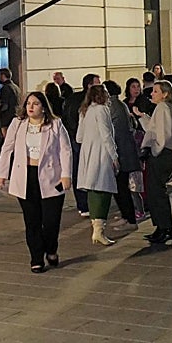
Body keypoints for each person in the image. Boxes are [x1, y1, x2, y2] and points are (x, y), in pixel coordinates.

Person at [0, 92, 72, 272]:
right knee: (32, 221)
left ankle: (51, 249)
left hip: (51, 177)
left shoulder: (55, 124)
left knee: (51, 221)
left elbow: (65, 150)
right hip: (26, 177)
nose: (30, 107)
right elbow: (7, 148)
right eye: (28, 103)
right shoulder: (18, 124)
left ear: (43, 107)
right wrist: (1, 173)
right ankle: (36, 257)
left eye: (35, 103)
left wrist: (66, 174)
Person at [135, 80, 172, 244]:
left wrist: (154, 150)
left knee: (156, 193)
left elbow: (162, 134)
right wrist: (143, 117)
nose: (152, 94)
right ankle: (161, 227)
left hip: (161, 155)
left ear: (165, 94)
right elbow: (154, 129)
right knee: (155, 193)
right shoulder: (163, 109)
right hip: (162, 153)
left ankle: (165, 228)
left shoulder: (163, 108)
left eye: (155, 91)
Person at [76, 84, 118, 246]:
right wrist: (114, 155)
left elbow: (79, 137)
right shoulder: (102, 110)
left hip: (87, 153)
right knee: (103, 190)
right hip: (101, 153)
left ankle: (97, 230)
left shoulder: (85, 111)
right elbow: (106, 134)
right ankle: (99, 231)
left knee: (93, 190)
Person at [63, 73, 102, 215]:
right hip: (81, 139)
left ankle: (83, 203)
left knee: (79, 170)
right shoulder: (87, 101)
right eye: (97, 83)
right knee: (85, 170)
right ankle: (86, 203)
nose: (100, 86)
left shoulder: (74, 98)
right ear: (89, 85)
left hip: (76, 138)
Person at [103, 80, 139, 230]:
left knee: (121, 187)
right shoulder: (119, 104)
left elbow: (113, 131)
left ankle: (130, 219)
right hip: (124, 151)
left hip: (121, 152)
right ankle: (126, 216)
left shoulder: (112, 106)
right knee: (120, 187)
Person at [0, 68, 21, 136]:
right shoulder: (16, 87)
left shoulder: (5, 88)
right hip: (15, 116)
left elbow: (5, 106)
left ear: (3, 76)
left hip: (7, 119)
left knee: (8, 139)